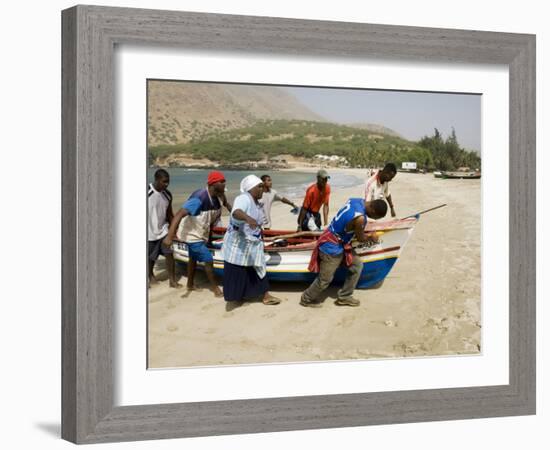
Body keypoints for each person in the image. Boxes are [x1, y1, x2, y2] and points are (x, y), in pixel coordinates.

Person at [300, 198, 388, 308]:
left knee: (357, 266)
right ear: (373, 211)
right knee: (325, 280)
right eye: (375, 217)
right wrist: (371, 237)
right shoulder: (360, 218)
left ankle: (345, 296)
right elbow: (361, 238)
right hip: (331, 247)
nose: (373, 219)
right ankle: (306, 298)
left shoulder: (356, 200)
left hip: (338, 240)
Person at [163, 171, 231, 297]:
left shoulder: (220, 195)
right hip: (191, 234)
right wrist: (169, 236)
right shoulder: (199, 198)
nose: (224, 184)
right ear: (212, 184)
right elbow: (178, 214)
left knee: (193, 258)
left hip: (202, 231)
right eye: (221, 182)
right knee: (208, 259)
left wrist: (235, 215)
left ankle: (190, 284)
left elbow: (226, 206)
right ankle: (215, 288)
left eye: (224, 182)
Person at [222, 175, 281, 306]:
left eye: (262, 186)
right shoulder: (244, 198)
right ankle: (241, 297)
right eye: (259, 186)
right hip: (239, 244)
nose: (262, 188)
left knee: (258, 267)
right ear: (250, 189)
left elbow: (258, 225)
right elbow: (236, 212)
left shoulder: (257, 203)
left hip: (253, 243)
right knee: (239, 270)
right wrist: (248, 218)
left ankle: (265, 295)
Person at [148, 169, 180, 288]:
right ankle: (150, 276)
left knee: (169, 254)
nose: (166, 184)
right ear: (156, 180)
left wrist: (174, 230)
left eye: (168, 182)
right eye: (164, 182)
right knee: (150, 258)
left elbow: (169, 214)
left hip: (163, 230)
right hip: (149, 232)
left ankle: (172, 281)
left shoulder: (167, 195)